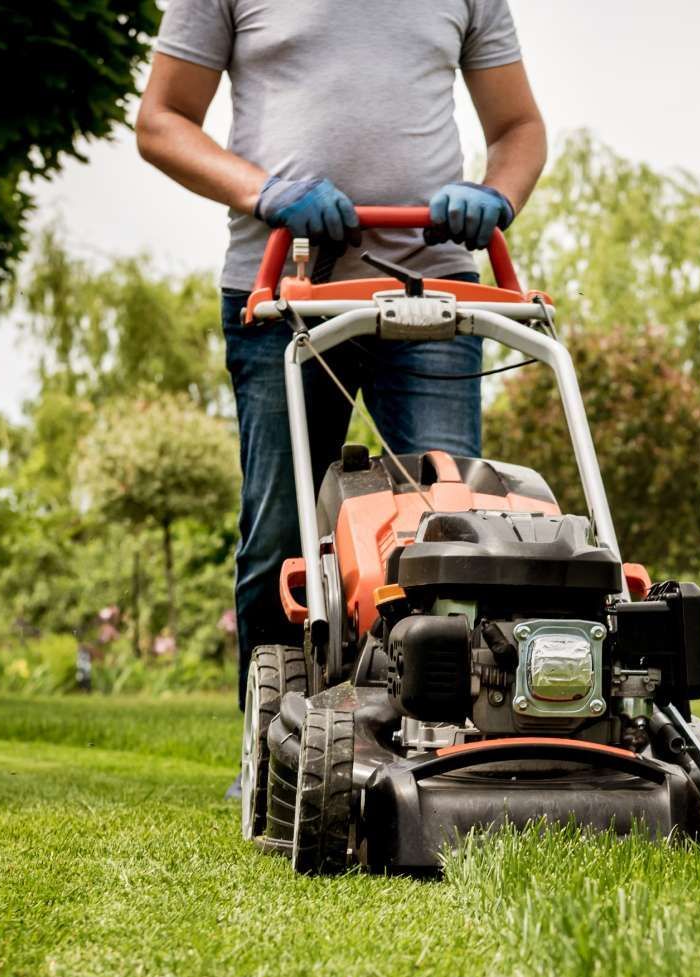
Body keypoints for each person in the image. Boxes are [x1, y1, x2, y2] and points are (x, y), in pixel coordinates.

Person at [136, 0, 547, 698]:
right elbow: (161, 122)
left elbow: (519, 127)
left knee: (453, 523)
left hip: (435, 291)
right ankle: (273, 740)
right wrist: (263, 191)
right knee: (281, 536)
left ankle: (450, 733)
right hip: (286, 290)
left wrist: (495, 194)